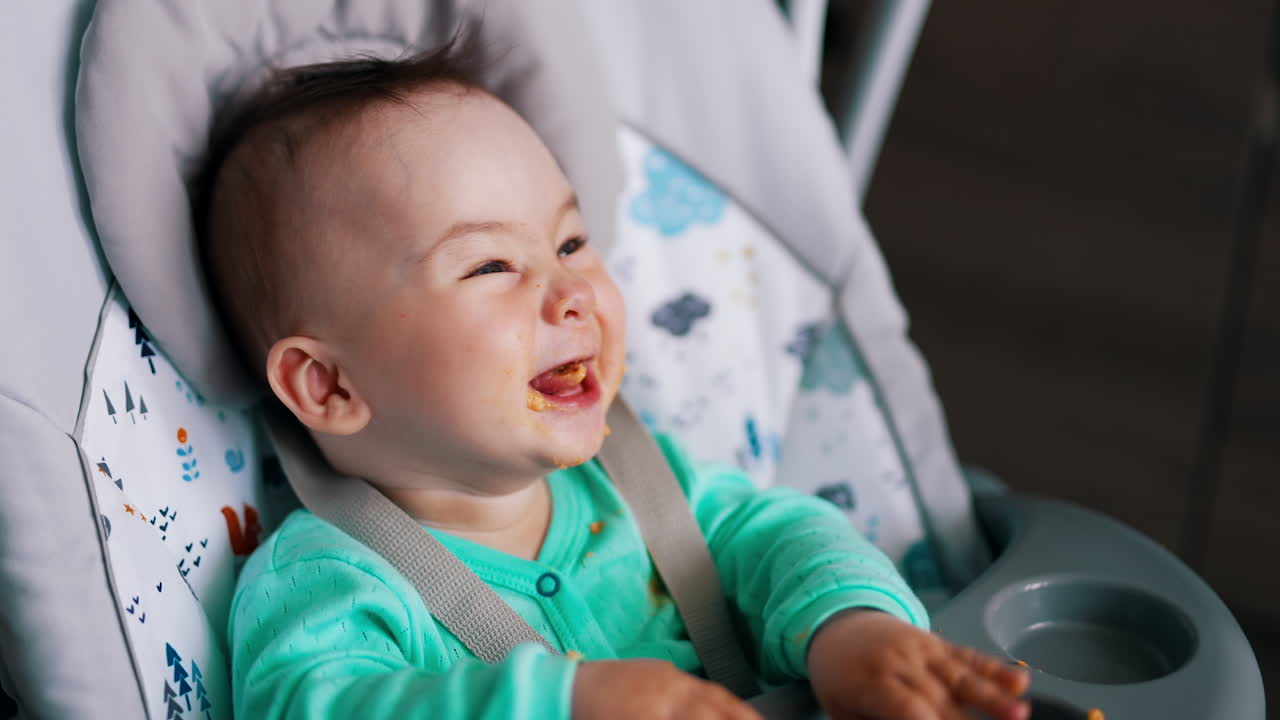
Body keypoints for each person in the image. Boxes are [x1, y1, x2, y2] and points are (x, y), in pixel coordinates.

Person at [198, 38, 1031, 720]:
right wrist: (570, 702)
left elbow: (777, 538)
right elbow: (320, 707)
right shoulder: (326, 583)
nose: (571, 295)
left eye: (568, 244)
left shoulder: (640, 487)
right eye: (491, 265)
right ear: (328, 387)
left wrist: (852, 632)